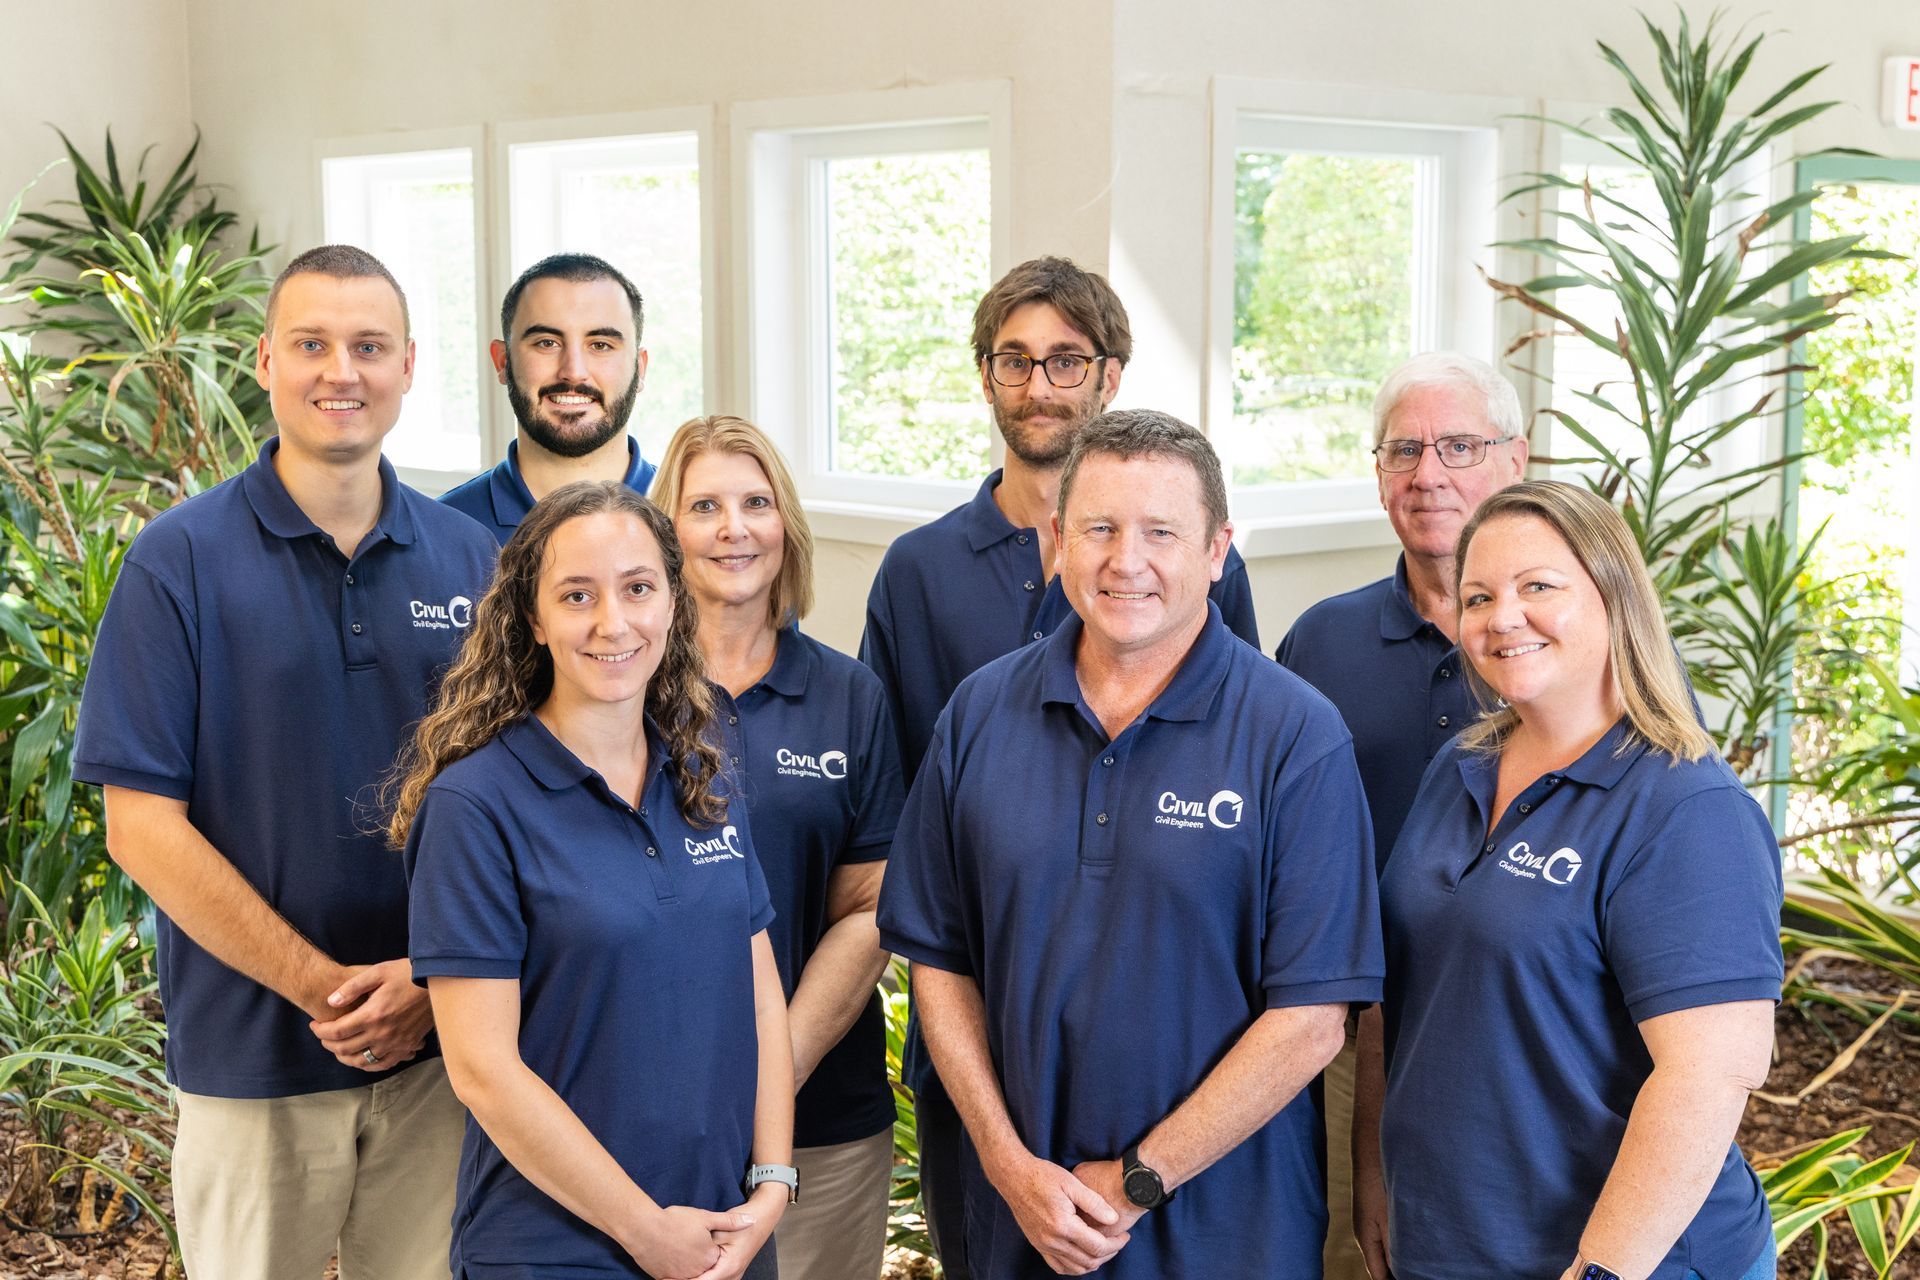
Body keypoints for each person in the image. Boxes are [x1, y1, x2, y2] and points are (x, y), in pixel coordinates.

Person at [72, 245, 497, 1278]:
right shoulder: (177, 561)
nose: (338, 370)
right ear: (265, 361)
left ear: (408, 367)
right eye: (311, 343)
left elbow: (518, 804)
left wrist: (426, 986)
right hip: (251, 1058)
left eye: (367, 345)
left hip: (447, 1053)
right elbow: (142, 828)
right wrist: (328, 990)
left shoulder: (476, 561)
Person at [878, 410, 1382, 1278]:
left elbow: (1311, 1022)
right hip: (1015, 1215)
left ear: (1217, 550)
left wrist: (1139, 1180)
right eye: (1100, 529)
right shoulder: (978, 714)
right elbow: (939, 961)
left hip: (1226, 1227)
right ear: (1056, 540)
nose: (1126, 560)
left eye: (1160, 532)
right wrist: (1004, 1163)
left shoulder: (1296, 735)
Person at [859, 257, 1262, 1276]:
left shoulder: (1199, 568)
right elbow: (900, 803)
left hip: (1169, 1026)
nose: (1038, 385)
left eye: (1065, 360)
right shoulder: (919, 570)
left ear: (1109, 374)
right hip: (984, 1017)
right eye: (1015, 361)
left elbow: (1234, 753)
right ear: (985, 374)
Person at [1354, 480, 1782, 1280]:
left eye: (1538, 587)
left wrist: (1603, 1270)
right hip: (1451, 1242)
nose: (1502, 616)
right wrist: (1375, 1176)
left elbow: (1710, 1073)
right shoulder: (1460, 768)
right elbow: (1401, 999)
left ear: (1615, 596)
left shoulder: (1684, 807)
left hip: (1625, 1257)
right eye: (1478, 596)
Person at [389, 481, 793, 1279]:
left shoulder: (703, 778)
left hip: (726, 1234)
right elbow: (484, 1072)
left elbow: (759, 998)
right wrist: (646, 1232)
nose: (614, 622)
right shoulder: (476, 806)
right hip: (557, 1250)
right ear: (532, 619)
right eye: (578, 595)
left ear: (673, 602)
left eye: (638, 588)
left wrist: (772, 1182)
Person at [1273, 352, 1527, 1280]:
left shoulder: (1577, 637)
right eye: (1405, 450)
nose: (1431, 474)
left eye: (1460, 446)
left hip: (1527, 1035)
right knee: (1355, 1254)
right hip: (1347, 1040)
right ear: (1379, 475)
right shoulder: (1321, 642)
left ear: (1516, 459)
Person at [652, 415, 904, 1280]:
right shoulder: (617, 687)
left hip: (824, 1115)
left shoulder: (849, 696)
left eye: (756, 502)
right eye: (706, 505)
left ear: (785, 527)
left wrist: (772, 1073)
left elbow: (870, 907)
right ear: (666, 531)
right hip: (647, 1115)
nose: (734, 528)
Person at [440, 253, 657, 544]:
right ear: (502, 361)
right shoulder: (441, 535)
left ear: (639, 367)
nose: (573, 372)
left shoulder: (694, 524)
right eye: (547, 343)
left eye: (601, 345)